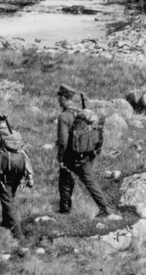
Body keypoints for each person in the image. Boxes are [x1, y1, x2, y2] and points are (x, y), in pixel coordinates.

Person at [56, 84, 116, 218]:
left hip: (71, 156)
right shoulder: (83, 113)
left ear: (64, 98)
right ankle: (105, 208)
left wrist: (60, 158)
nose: (58, 100)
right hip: (87, 155)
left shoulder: (64, 116)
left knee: (65, 180)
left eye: (59, 97)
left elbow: (62, 141)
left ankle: (64, 211)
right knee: (90, 181)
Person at [0, 112, 33, 240]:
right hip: (18, 171)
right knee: (10, 197)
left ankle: (19, 235)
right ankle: (6, 224)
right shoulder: (16, 135)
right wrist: (29, 175)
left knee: (8, 203)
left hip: (2, 172)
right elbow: (24, 155)